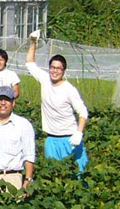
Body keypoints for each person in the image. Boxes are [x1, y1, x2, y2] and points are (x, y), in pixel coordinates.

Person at [25, 32, 89, 173]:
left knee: (77, 174)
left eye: (59, 68)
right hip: (51, 139)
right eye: (53, 67)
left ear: (64, 71)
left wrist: (79, 132)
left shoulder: (69, 89)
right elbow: (30, 64)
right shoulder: (45, 80)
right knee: (52, 174)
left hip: (70, 139)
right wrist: (33, 42)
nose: (55, 71)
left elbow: (83, 112)